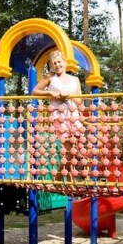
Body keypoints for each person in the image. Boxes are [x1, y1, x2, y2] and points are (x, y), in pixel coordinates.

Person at [31, 50, 83, 180]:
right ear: (51, 66)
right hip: (59, 115)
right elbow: (34, 91)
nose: (57, 65)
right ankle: (61, 178)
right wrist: (51, 94)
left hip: (73, 115)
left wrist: (68, 96)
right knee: (69, 147)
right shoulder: (50, 78)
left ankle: (65, 177)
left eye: (59, 62)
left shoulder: (75, 79)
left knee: (74, 149)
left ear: (65, 63)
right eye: (54, 63)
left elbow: (79, 100)